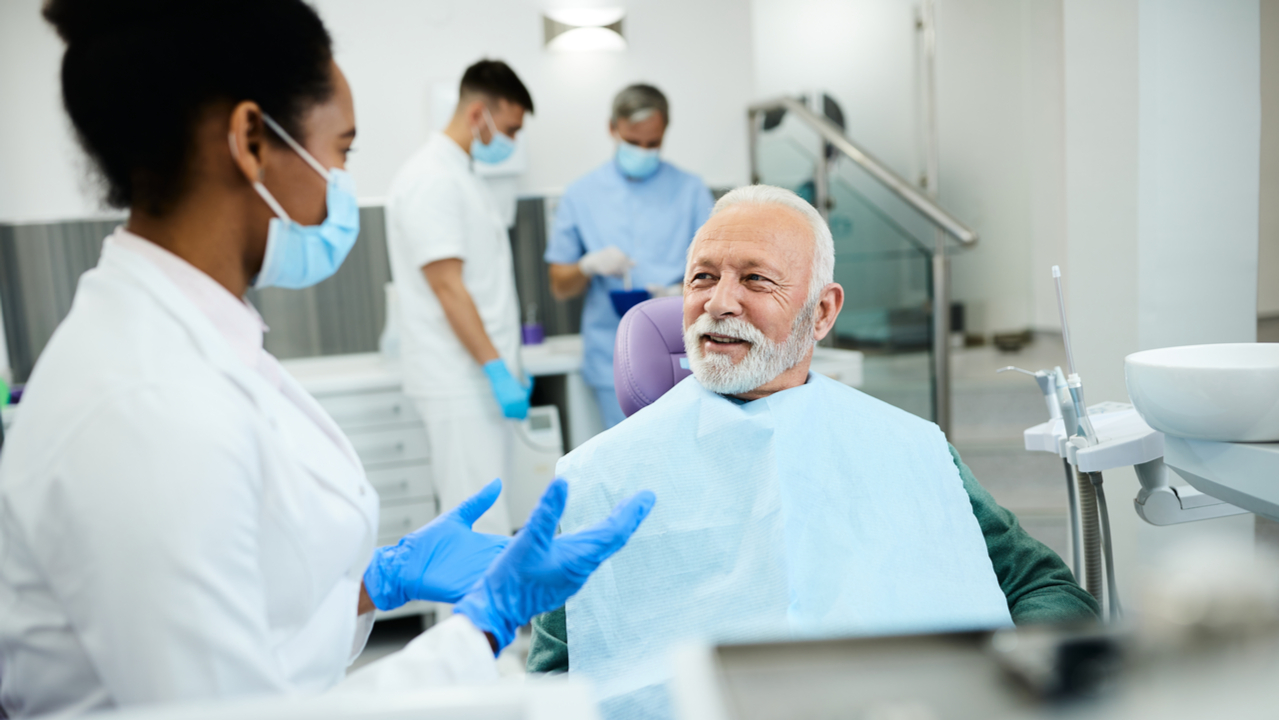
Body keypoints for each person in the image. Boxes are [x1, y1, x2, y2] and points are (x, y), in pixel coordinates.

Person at [0, 2, 653, 717]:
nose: (340, 186)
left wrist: (370, 586)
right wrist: (483, 625)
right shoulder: (142, 403)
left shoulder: (191, 334)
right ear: (252, 139)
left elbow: (250, 631)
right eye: (341, 152)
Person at [526, 185, 1098, 716]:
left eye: (755, 279)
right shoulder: (599, 477)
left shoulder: (910, 447)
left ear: (822, 311)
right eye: (702, 277)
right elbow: (556, 675)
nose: (719, 302)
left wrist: (1009, 687)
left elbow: (1042, 587)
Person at [386, 60, 535, 536]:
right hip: (460, 381)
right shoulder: (432, 179)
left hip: (477, 381)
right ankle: (473, 615)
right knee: (477, 530)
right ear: (478, 114)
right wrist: (496, 369)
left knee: (488, 524)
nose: (511, 140)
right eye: (509, 128)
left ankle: (484, 613)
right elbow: (447, 287)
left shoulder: (461, 175)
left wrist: (506, 366)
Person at [545, 84, 714, 429]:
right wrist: (586, 266)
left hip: (684, 351)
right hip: (612, 354)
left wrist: (681, 293)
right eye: (634, 142)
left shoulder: (691, 190)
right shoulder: (581, 194)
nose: (643, 150)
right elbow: (560, 286)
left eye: (653, 144)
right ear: (613, 128)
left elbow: (721, 267)